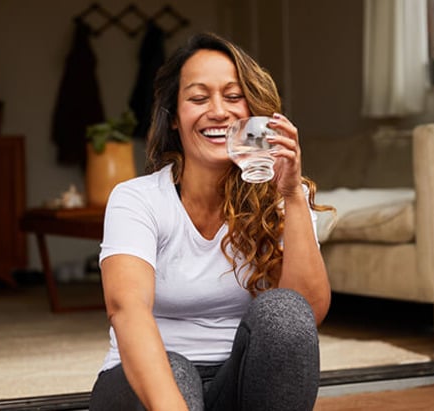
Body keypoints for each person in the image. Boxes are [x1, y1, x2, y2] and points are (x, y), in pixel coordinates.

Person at [89, 32, 332, 411]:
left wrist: (291, 196)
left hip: (235, 386)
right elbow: (127, 310)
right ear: (174, 117)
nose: (218, 111)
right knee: (177, 373)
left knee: (285, 311)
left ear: (252, 111)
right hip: (145, 387)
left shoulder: (283, 195)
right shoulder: (137, 199)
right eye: (198, 98)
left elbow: (306, 312)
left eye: (233, 97)